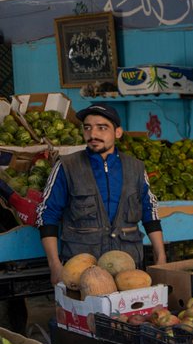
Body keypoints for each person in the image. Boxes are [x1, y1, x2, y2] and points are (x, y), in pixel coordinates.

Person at [37, 103, 166, 282]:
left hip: (128, 266)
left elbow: (149, 211)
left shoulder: (135, 168)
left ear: (118, 133)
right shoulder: (67, 166)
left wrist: (161, 258)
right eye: (87, 128)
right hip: (81, 269)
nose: (93, 134)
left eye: (102, 128)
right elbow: (47, 214)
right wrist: (55, 265)